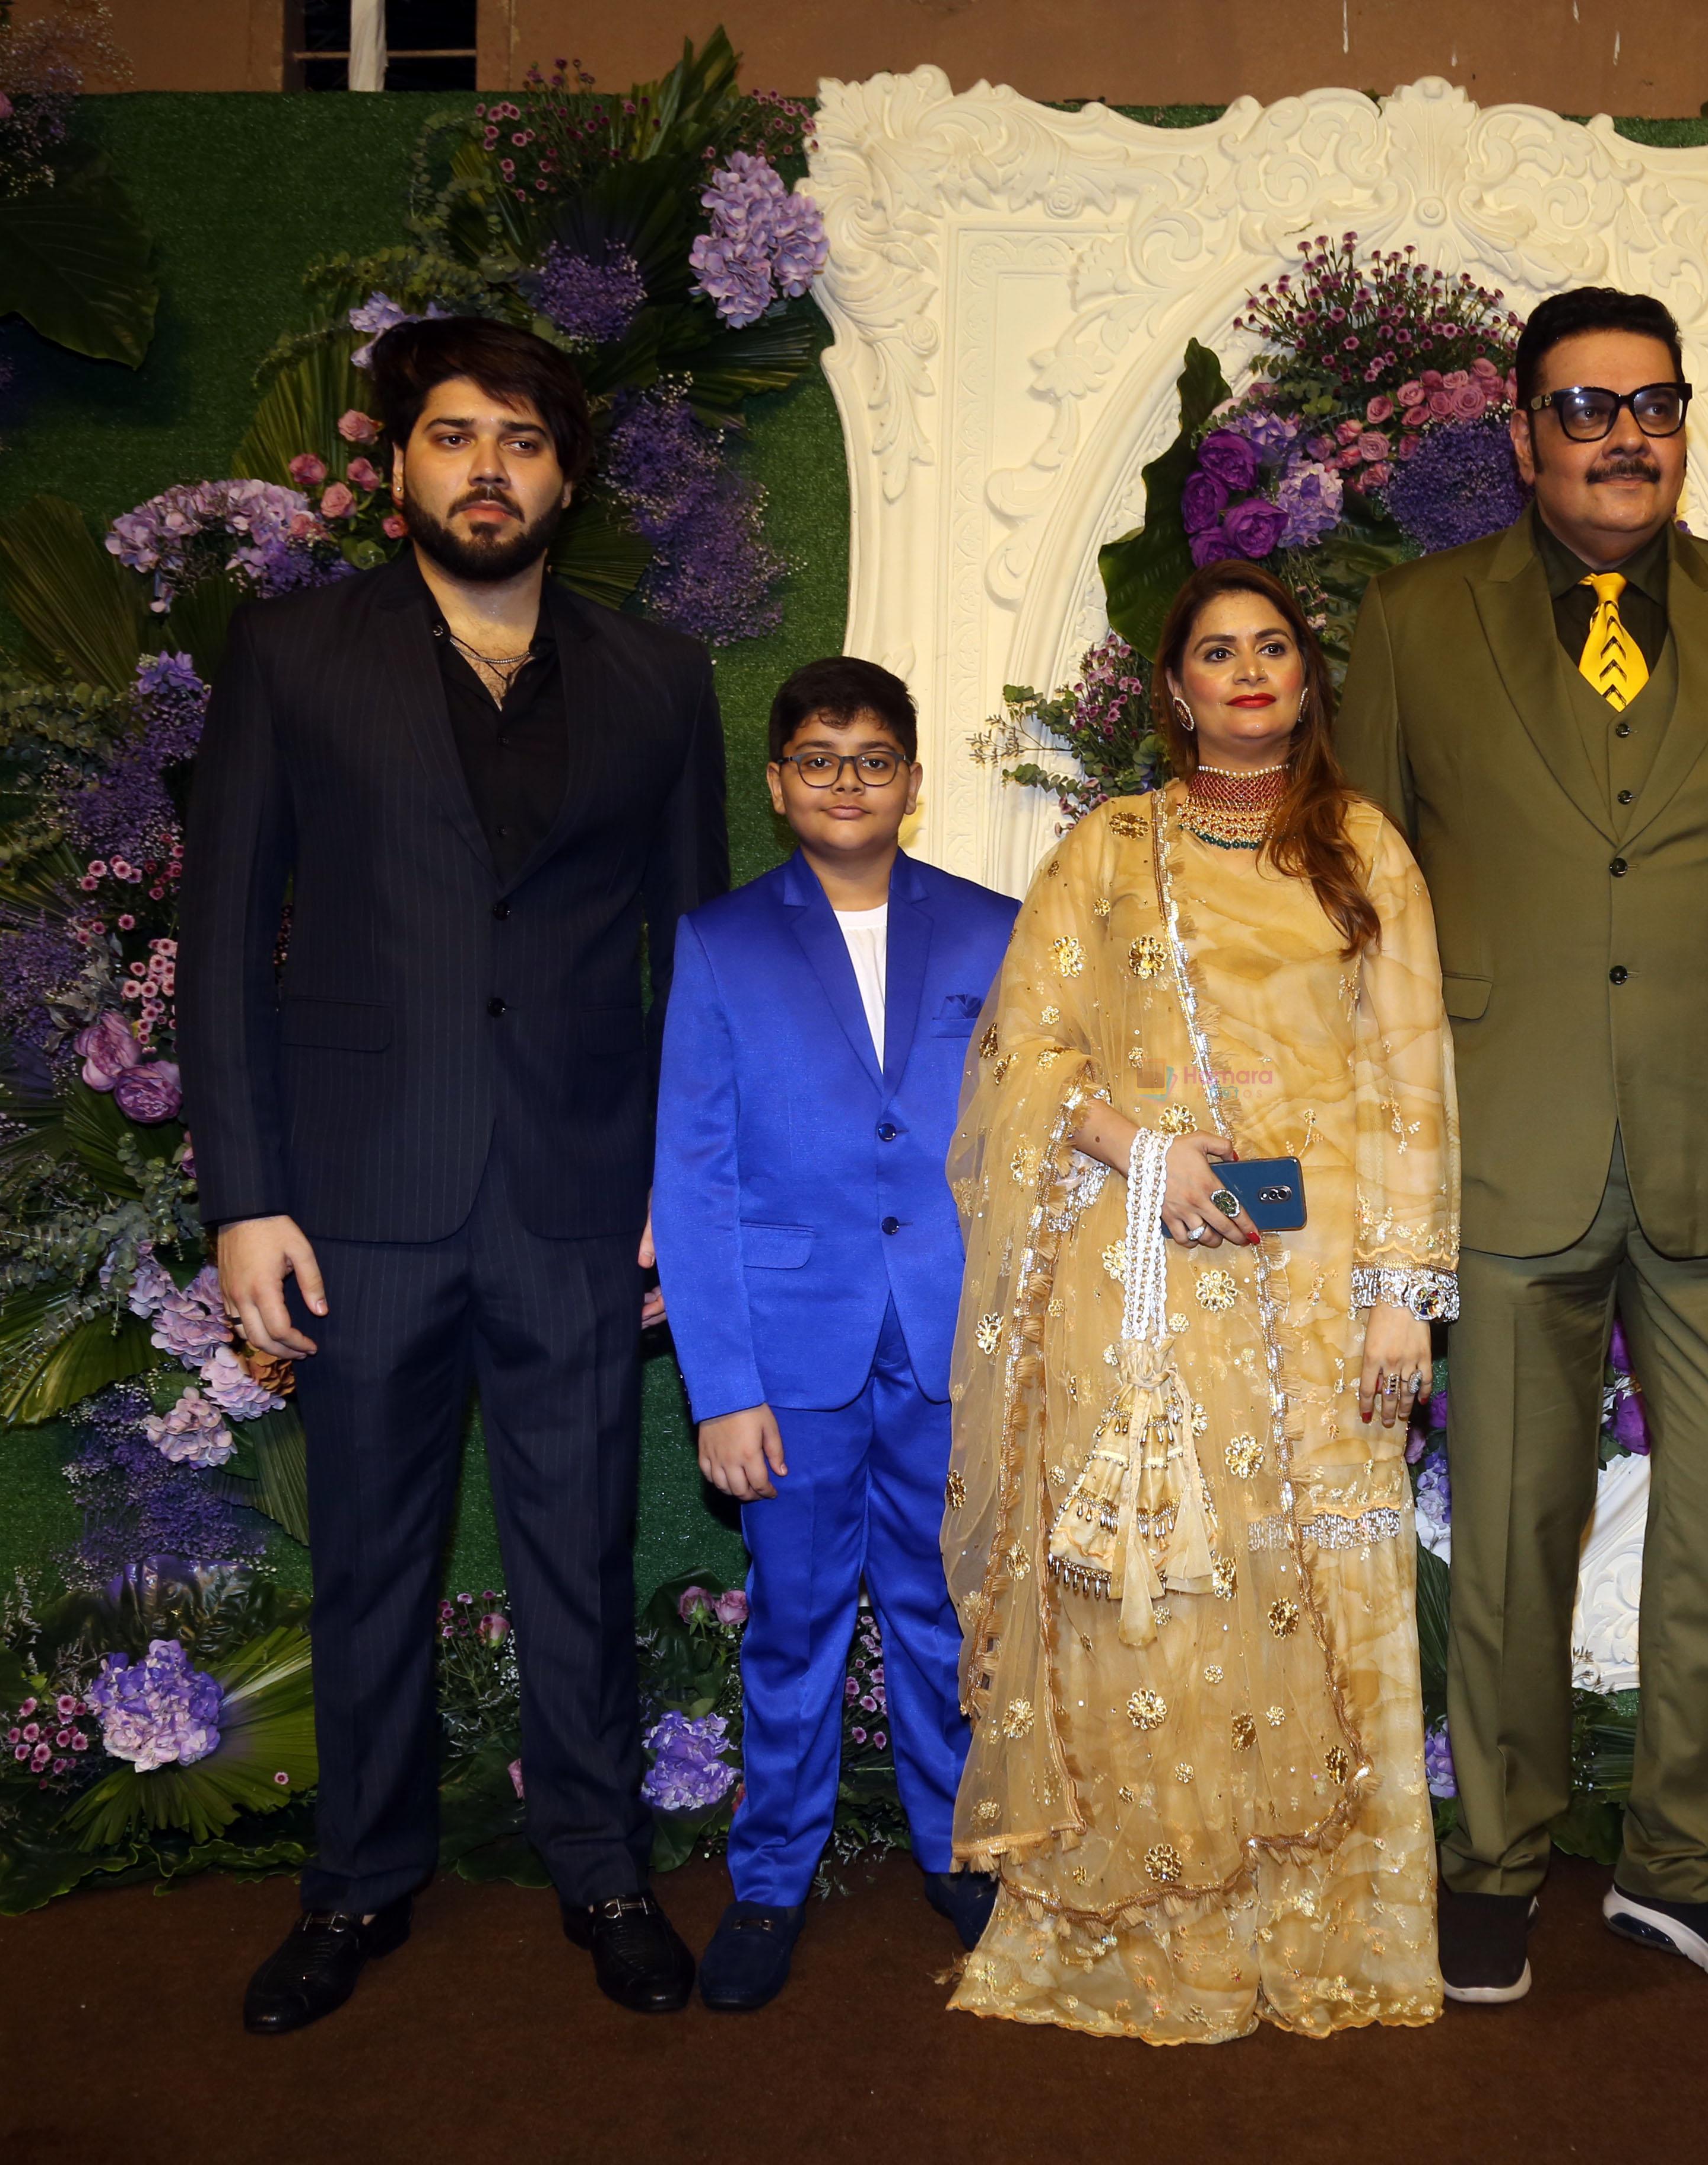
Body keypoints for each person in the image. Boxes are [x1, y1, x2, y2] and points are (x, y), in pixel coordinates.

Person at [1336, 287, 1708, 2008]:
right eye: (1584, 408)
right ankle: (1498, 1867)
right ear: (1524, 435)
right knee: (1511, 1532)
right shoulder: (1415, 622)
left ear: (1683, 422)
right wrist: (1379, 1164)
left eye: (1653, 404)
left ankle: (1686, 1867)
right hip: (1502, 1156)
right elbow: (1357, 912)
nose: (1624, 436)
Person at [185, 316, 730, 2033]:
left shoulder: (658, 675)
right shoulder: (292, 656)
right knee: (370, 1559)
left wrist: (680, 1182)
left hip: (578, 1196)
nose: (485, 466)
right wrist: (244, 1197)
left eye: (519, 439)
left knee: (579, 1552)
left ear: (568, 477)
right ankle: (355, 1886)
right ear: (398, 466)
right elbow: (220, 947)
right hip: (357, 1203)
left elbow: (696, 961)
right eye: (450, 435)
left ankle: (605, 1868)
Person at [941, 558, 1459, 2044]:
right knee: (1153, 1597)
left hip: (1320, 1295)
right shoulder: (1108, 851)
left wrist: (1401, 1297)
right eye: (1215, 652)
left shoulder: (1366, 852)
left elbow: (1411, 1079)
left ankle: (1326, 1943)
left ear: (1306, 681)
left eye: (1274, 648)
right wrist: (1142, 1149)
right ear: (1173, 689)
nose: (1246, 671)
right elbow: (1024, 1056)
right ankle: (1146, 1949)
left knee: (1326, 1584)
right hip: (1148, 1283)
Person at [649, 657, 1020, 2011]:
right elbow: (692, 1173)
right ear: (777, 782)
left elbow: (1033, 1144)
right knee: (795, 1628)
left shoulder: (997, 929)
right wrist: (721, 1387)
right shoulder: (722, 942)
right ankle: (767, 1883)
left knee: (941, 1615)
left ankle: (957, 1854)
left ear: (914, 782)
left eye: (874, 759)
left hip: (952, 1341)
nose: (848, 781)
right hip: (788, 1359)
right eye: (820, 758)